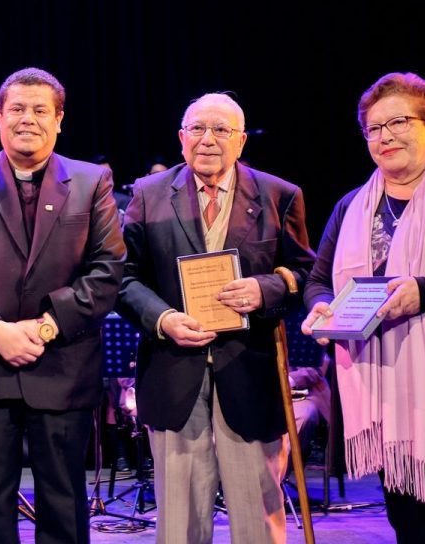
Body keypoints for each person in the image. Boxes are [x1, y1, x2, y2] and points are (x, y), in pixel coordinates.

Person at [0, 67, 125, 544]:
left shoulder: (92, 180)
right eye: (16, 109)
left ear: (60, 120)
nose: (27, 119)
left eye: (40, 110)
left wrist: (45, 327)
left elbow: (108, 268)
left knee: (63, 499)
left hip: (62, 365)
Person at [117, 92, 315, 543]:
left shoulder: (280, 195)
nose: (208, 139)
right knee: (179, 522)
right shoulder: (148, 195)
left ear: (241, 140)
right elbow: (123, 279)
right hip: (173, 373)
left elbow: (307, 273)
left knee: (257, 520)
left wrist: (264, 289)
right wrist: (163, 318)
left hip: (250, 373)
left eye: (221, 130)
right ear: (182, 138)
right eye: (198, 129)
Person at [301, 72, 425, 543]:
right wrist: (321, 309)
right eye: (373, 129)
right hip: (383, 400)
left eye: (397, 122)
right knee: (409, 523)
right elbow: (320, 281)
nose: (384, 136)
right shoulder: (351, 207)